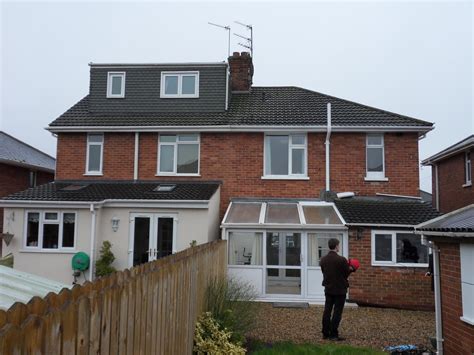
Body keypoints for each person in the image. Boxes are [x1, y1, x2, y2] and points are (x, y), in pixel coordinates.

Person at [319, 238, 354, 341]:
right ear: (336, 246)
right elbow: (346, 273)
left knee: (327, 311)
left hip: (328, 289)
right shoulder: (342, 260)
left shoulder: (323, 259)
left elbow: (324, 272)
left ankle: (325, 334)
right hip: (340, 290)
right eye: (338, 245)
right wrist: (352, 269)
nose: (339, 247)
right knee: (337, 312)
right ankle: (333, 335)